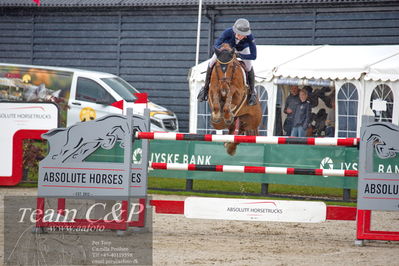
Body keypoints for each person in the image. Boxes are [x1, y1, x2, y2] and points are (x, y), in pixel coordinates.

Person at [197, 18, 257, 106]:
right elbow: (216, 45)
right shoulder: (227, 32)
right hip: (227, 49)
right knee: (211, 63)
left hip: (242, 50)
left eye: (243, 35)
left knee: (249, 67)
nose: (240, 36)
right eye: (239, 34)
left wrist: (240, 56)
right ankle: (205, 89)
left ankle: (252, 92)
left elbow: (254, 56)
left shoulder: (250, 37)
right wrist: (225, 51)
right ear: (234, 31)